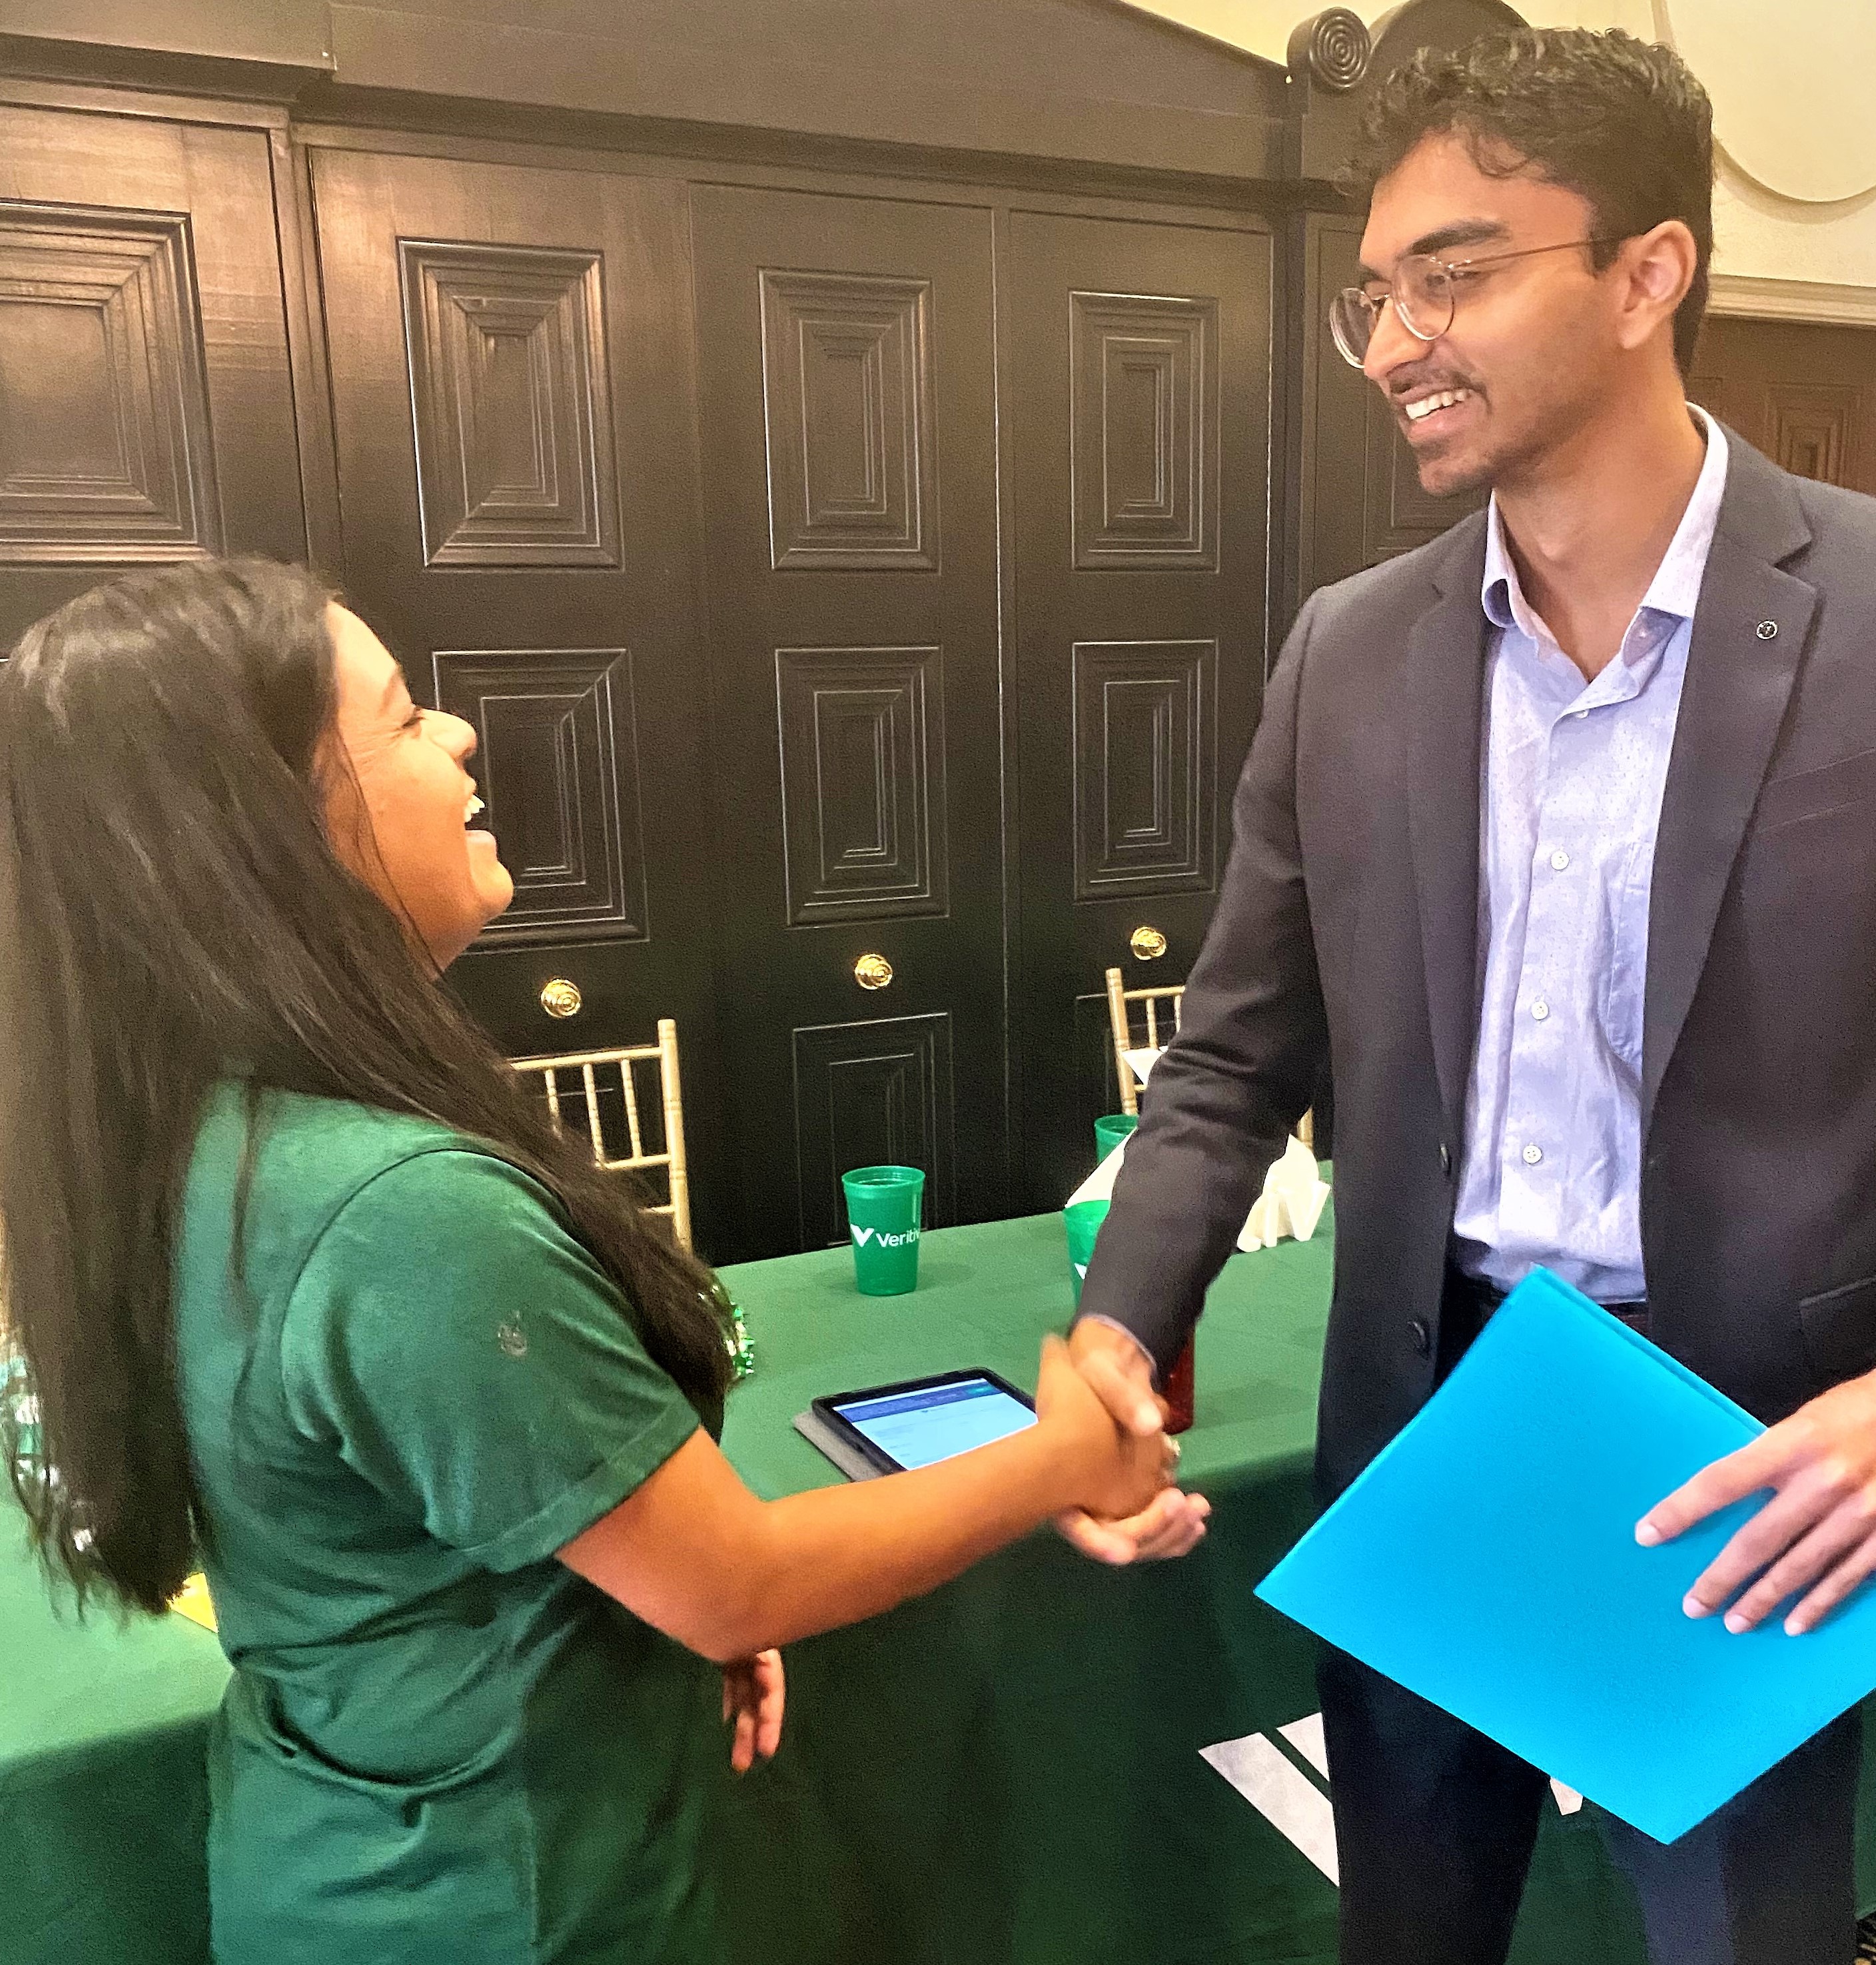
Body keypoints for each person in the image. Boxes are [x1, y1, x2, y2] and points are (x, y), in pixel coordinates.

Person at [0, 558, 1177, 1965]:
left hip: (346, 1850)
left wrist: (646, 1603)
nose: (461, 737)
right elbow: (737, 1576)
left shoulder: (193, 1137)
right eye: (399, 718)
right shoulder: (394, 1210)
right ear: (272, 827)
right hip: (508, 1900)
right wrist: (1064, 1452)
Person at [1066, 26, 1876, 1965]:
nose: (1394, 339)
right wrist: (1121, 1315)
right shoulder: (1354, 652)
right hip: (1436, 1423)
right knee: (1409, 1938)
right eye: (1376, 291)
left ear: (1647, 271)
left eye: (1457, 272)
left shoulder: (1864, 613)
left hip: (1755, 1465)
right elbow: (1235, 1050)